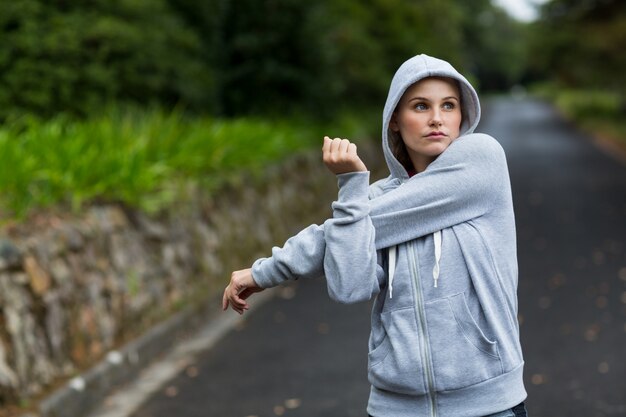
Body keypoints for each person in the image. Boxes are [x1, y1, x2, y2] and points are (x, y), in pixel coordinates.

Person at [222, 54, 528, 417]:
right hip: (395, 408)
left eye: (449, 105)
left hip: (488, 405)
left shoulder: (482, 159)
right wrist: (352, 186)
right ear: (395, 120)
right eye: (420, 106)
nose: (437, 118)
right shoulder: (371, 200)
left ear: (463, 115)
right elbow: (349, 287)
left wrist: (264, 272)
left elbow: (348, 230)